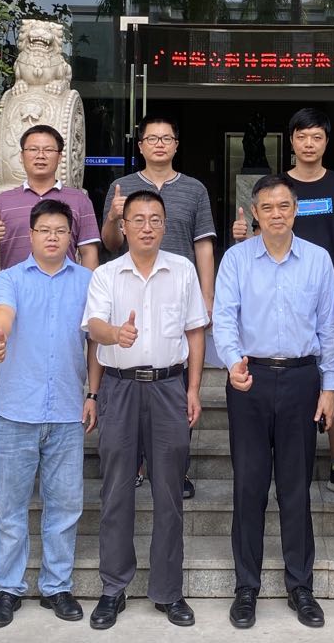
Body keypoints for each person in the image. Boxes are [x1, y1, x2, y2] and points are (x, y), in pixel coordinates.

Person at [213, 174, 334, 631]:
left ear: (295, 210)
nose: (276, 215)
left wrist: (330, 386)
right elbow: (223, 318)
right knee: (249, 486)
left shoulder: (318, 259)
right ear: (254, 213)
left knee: (295, 487)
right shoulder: (236, 259)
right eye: (267, 207)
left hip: (303, 379)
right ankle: (246, 586)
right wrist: (232, 363)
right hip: (250, 377)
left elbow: (329, 327)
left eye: (284, 206)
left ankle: (300, 586)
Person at [83, 189, 209, 630]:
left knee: (169, 492)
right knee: (116, 490)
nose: (147, 227)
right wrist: (114, 334)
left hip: (169, 387)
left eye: (155, 219)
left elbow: (195, 332)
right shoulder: (107, 274)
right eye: (138, 219)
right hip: (119, 388)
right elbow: (94, 328)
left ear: (164, 224)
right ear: (123, 226)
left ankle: (168, 591)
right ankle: (113, 588)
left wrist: (193, 389)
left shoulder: (183, 270)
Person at [230, 107, 334, 503]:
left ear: (326, 141)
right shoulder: (276, 187)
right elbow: (257, 235)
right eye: (302, 136)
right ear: (291, 141)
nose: (309, 144)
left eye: (316, 136)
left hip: (324, 297)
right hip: (278, 297)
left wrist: (331, 278)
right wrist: (241, 235)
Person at [0, 199, 94, 629]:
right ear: (30, 235)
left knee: (65, 506)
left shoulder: (87, 281)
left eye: (60, 230)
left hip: (66, 410)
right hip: (16, 411)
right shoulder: (9, 278)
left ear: (71, 237)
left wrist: (94, 394)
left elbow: (95, 341)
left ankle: (57, 587)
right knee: (11, 508)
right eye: (44, 230)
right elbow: (3, 314)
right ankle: (8, 589)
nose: (52, 237)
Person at [101, 115, 216, 498]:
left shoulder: (195, 189)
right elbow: (109, 243)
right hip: (131, 296)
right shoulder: (121, 187)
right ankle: (134, 464)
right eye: (152, 138)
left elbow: (203, 244)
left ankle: (174, 468)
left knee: (176, 377)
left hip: (177, 294)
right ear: (141, 146)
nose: (160, 144)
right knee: (133, 374)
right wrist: (114, 216)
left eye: (167, 138)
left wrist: (207, 295)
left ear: (176, 145)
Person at [0, 124, 100, 270]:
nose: (40, 155)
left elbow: (89, 253)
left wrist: (87, 283)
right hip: (15, 284)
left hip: (64, 284)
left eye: (48, 150)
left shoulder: (79, 200)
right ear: (22, 156)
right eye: (33, 149)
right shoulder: (1, 201)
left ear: (59, 157)